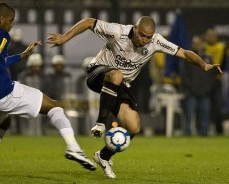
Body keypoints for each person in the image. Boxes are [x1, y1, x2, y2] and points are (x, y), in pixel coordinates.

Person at [47, 17, 222, 178]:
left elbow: (183, 53)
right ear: (135, 28)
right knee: (116, 75)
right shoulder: (117, 31)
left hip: (120, 84)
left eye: (148, 37)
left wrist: (204, 64)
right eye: (142, 35)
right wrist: (64, 37)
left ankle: (103, 156)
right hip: (97, 73)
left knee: (133, 127)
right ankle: (100, 123)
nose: (144, 40)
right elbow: (89, 22)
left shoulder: (156, 41)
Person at [0, 3, 95, 180]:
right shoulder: (1, 33)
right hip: (1, 92)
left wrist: (22, 55)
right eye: (11, 20)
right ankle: (74, 148)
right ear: (1, 18)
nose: (11, 25)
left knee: (2, 124)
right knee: (54, 106)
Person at [181, 36, 215, 136]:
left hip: (205, 92)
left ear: (202, 44)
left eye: (199, 43)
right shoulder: (188, 57)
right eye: (195, 43)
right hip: (192, 92)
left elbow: (212, 76)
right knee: (189, 115)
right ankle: (187, 133)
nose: (197, 45)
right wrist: (191, 88)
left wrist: (208, 88)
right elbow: (184, 75)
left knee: (205, 115)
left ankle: (203, 134)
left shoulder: (208, 57)